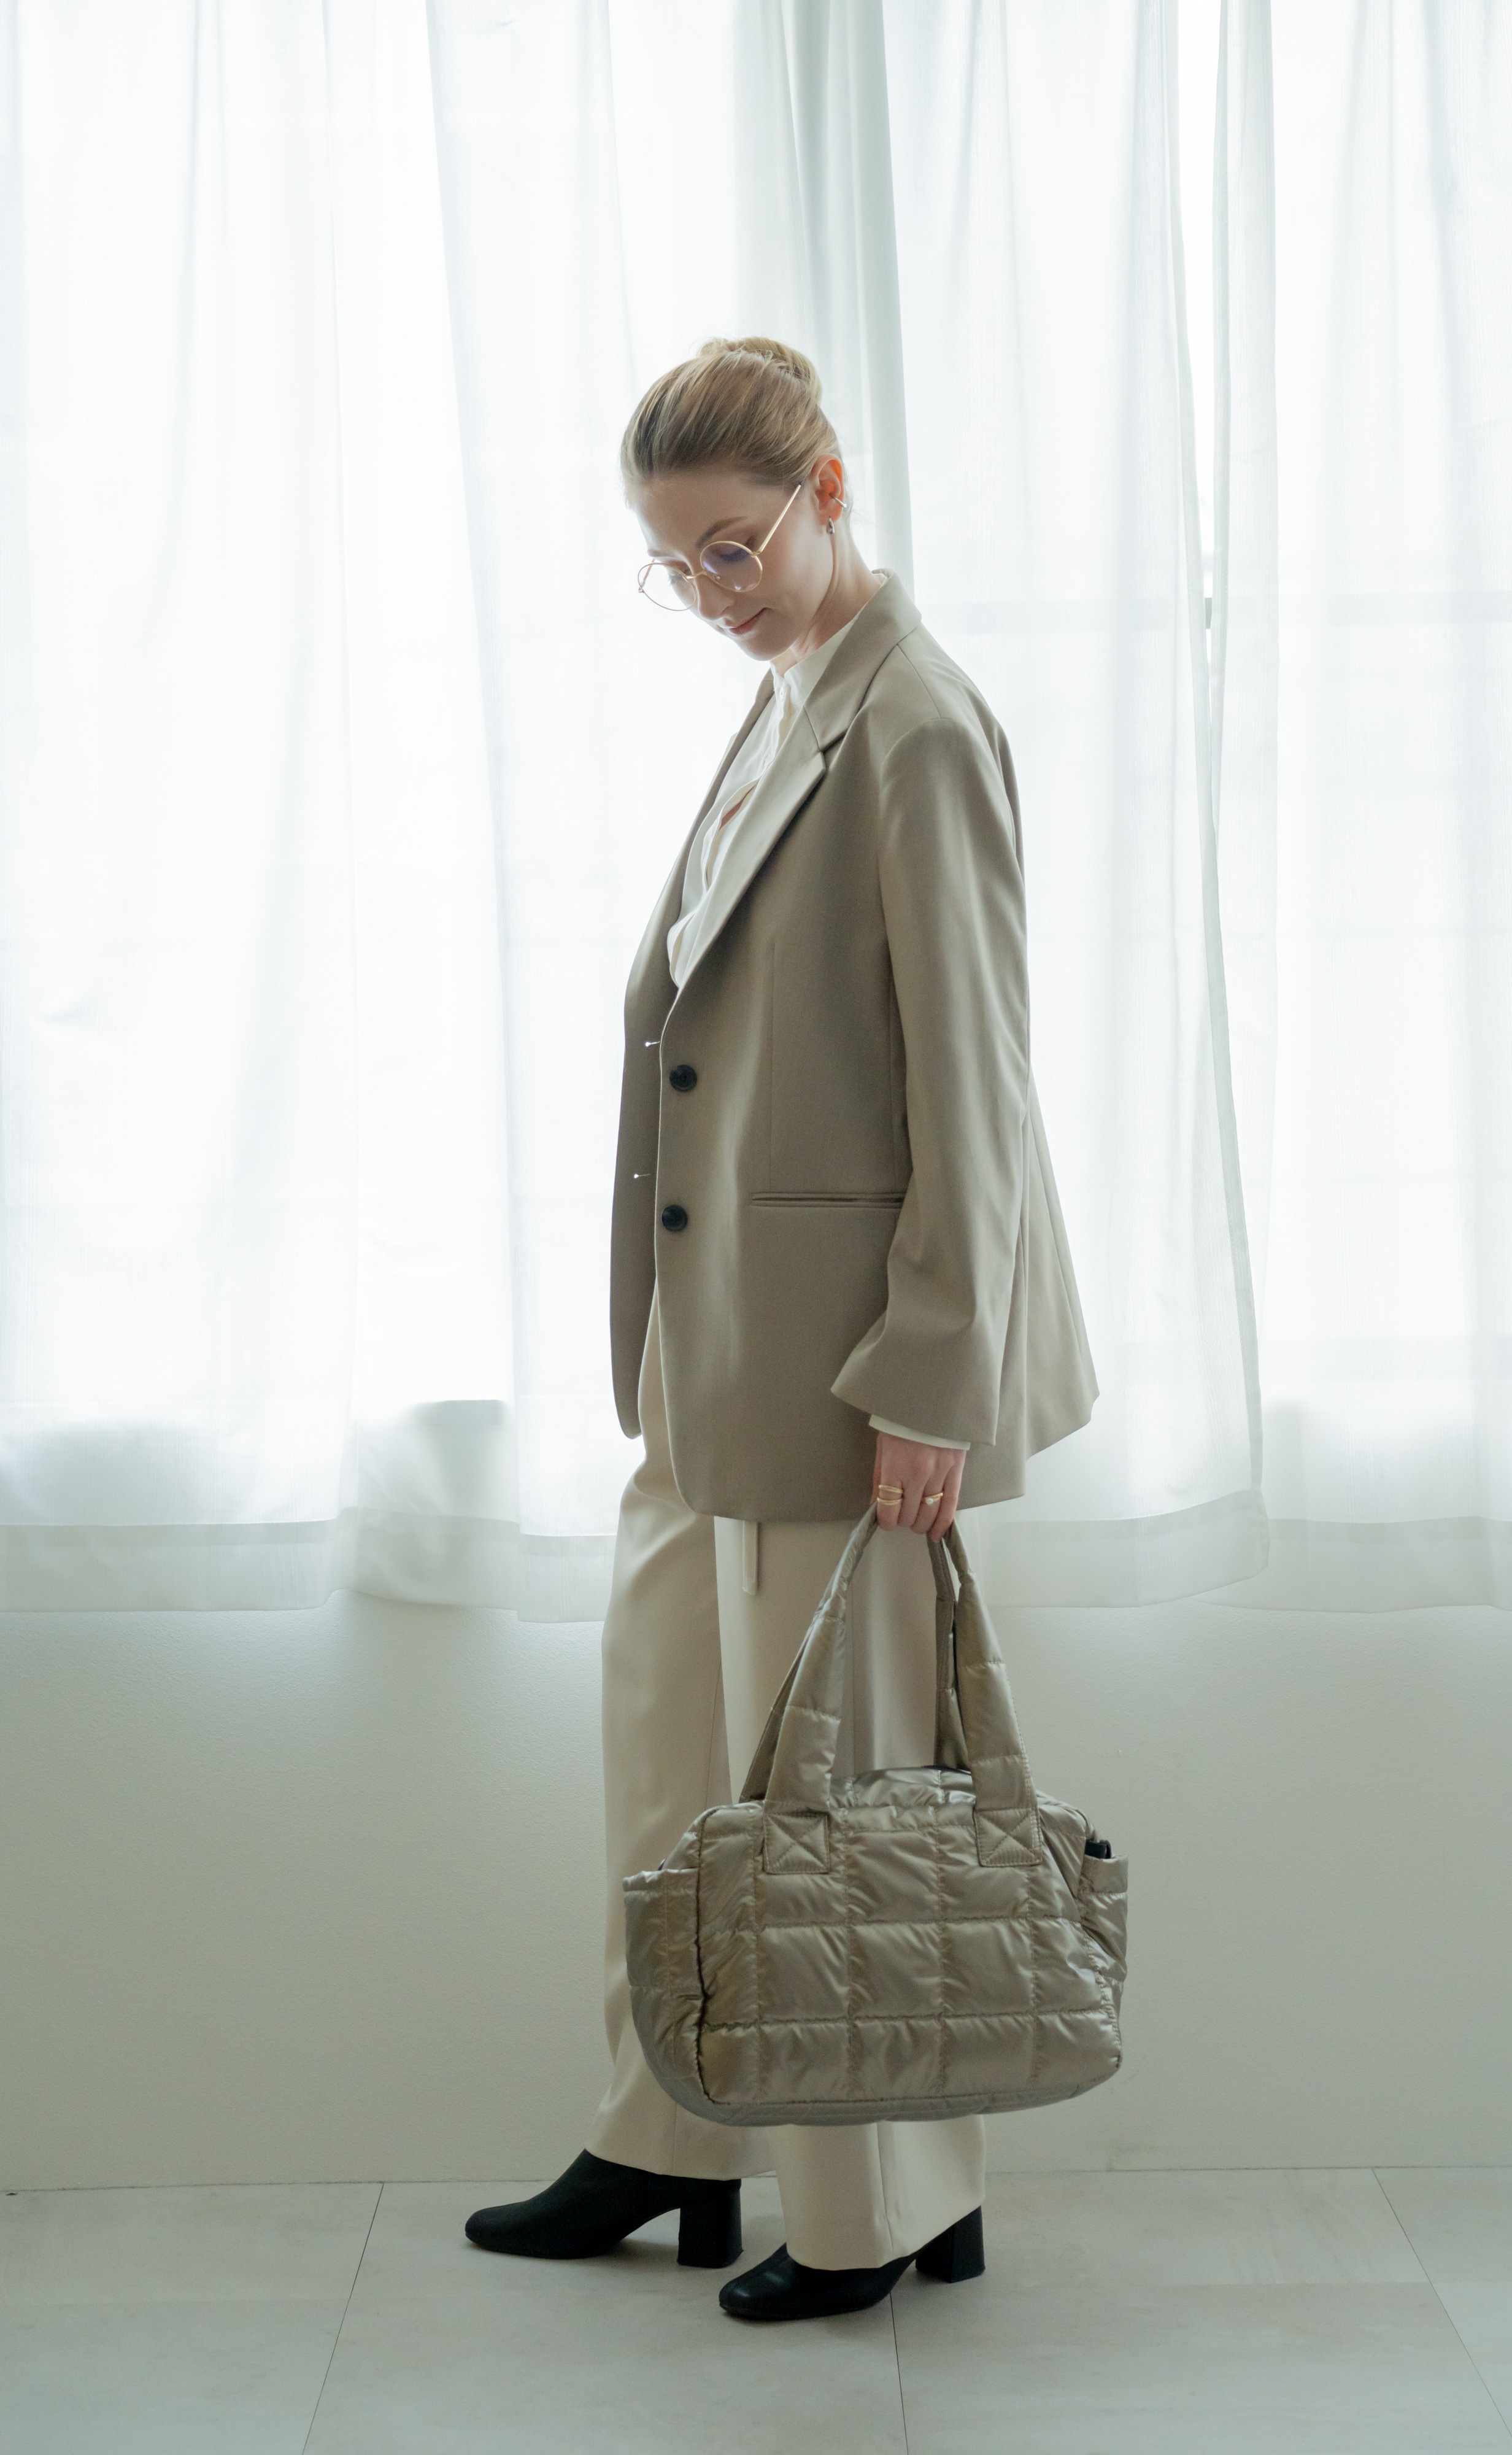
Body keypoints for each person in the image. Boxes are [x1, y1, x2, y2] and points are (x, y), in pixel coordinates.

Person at [465, 337, 1097, 2322]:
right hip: (711, 1359)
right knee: (673, 1773)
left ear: (826, 490)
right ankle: (665, 2134)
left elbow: (975, 1087)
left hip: (846, 1374)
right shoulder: (785, 699)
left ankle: (882, 2208)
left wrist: (931, 1379)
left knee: (840, 1809)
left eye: (732, 547)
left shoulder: (914, 722)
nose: (710, 591)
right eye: (676, 566)